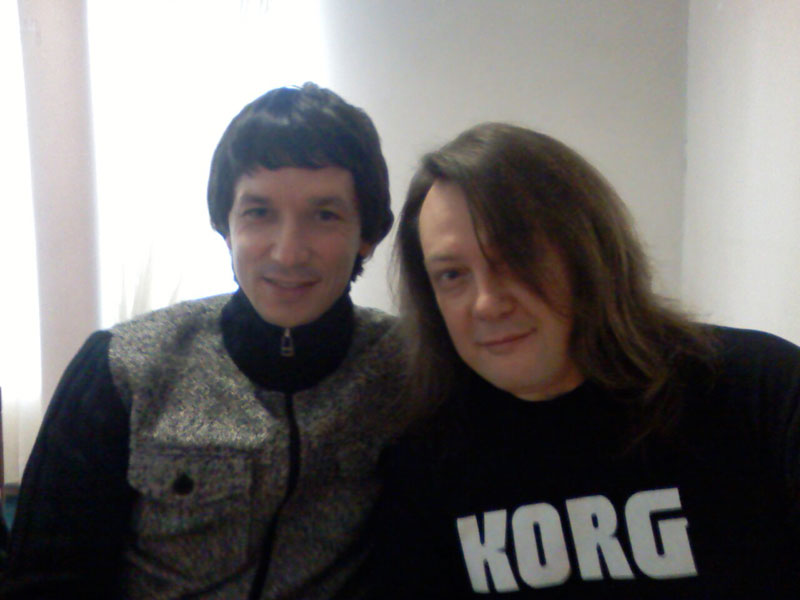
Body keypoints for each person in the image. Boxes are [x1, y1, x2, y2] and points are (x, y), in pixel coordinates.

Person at [1, 83, 416, 599]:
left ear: (367, 234)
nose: (288, 253)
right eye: (259, 213)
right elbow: (43, 579)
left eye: (324, 215)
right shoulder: (123, 368)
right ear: (226, 226)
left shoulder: (408, 370)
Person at [370, 123, 800, 597]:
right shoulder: (425, 464)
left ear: (588, 251)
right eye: (452, 275)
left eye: (516, 257)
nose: (487, 302)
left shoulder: (761, 393)